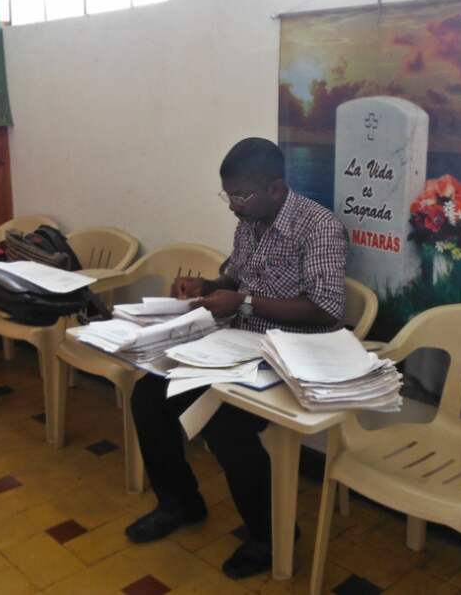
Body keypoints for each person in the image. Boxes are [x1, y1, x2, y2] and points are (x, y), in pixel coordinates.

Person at [125, 137, 348, 579]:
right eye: (228, 196)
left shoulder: (319, 227)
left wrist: (241, 302)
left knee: (226, 427)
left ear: (277, 189)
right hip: (236, 344)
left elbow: (326, 307)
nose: (233, 206)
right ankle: (180, 503)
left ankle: (269, 535)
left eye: (241, 196)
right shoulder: (249, 221)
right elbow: (235, 275)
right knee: (149, 395)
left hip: (293, 353)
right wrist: (206, 286)